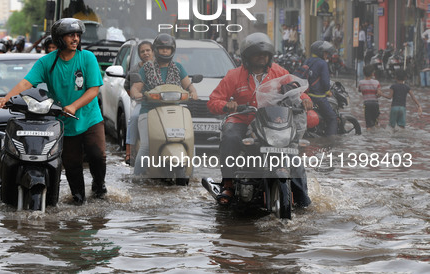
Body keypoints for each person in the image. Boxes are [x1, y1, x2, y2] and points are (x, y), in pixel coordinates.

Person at [0, 18, 106, 205]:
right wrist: (6, 98)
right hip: (64, 120)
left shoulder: (87, 58)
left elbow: (94, 90)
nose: (75, 39)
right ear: (59, 39)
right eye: (71, 35)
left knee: (97, 155)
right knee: (71, 164)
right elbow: (26, 83)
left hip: (90, 117)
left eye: (78, 35)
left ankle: (99, 186)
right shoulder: (46, 62)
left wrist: (74, 106)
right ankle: (79, 198)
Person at [207, 32, 313, 207]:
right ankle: (229, 184)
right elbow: (214, 101)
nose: (261, 57)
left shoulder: (279, 72)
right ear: (247, 57)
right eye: (257, 54)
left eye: (265, 54)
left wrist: (305, 99)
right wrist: (227, 106)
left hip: (271, 121)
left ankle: (302, 196)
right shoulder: (234, 75)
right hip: (242, 119)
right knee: (230, 137)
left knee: (293, 153)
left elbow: (295, 91)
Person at [130, 34, 198, 175]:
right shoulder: (147, 67)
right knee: (146, 146)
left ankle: (190, 175)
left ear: (172, 50)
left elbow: (189, 85)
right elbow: (135, 88)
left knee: (188, 141)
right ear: (156, 50)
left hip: (174, 111)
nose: (165, 51)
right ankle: (136, 180)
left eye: (168, 48)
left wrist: (193, 92)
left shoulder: (178, 67)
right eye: (162, 49)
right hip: (149, 111)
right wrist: (137, 93)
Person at [123, 40, 154, 165]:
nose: (145, 53)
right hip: (143, 103)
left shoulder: (160, 66)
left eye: (148, 50)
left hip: (162, 103)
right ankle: (129, 152)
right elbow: (127, 86)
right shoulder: (135, 69)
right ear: (139, 54)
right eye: (142, 51)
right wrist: (136, 97)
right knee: (134, 117)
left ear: (153, 52)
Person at [302, 40, 337, 136]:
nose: (327, 55)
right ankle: (330, 140)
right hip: (318, 97)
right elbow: (325, 82)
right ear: (320, 52)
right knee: (332, 117)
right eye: (325, 53)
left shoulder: (307, 61)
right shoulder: (322, 63)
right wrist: (328, 92)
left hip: (306, 96)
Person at [358, 64, 382, 130]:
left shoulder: (361, 82)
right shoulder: (376, 82)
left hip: (367, 104)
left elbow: (359, 90)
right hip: (375, 104)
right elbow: (379, 94)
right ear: (372, 73)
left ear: (363, 73)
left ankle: (368, 136)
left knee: (368, 124)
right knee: (376, 123)